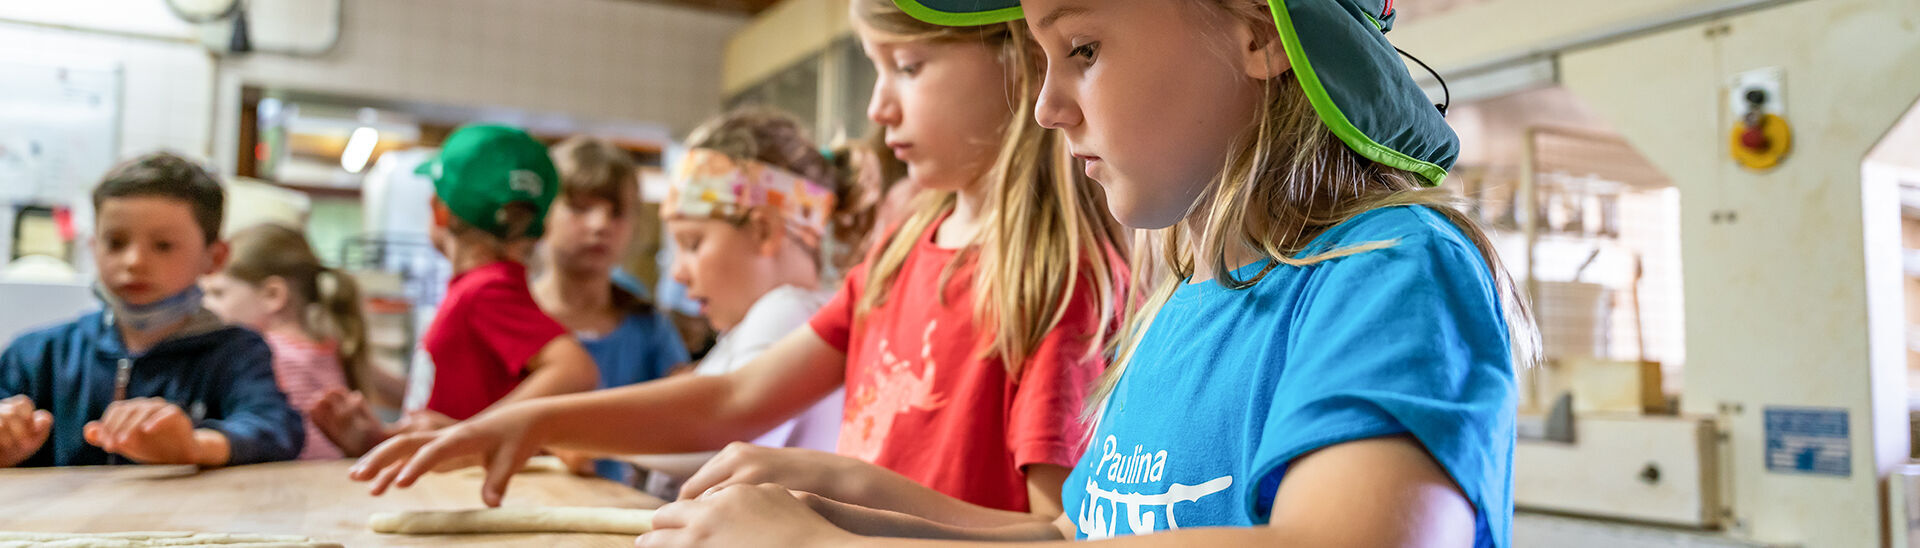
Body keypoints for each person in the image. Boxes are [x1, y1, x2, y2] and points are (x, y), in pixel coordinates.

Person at [636, 1, 1538, 547]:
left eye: (1084, 49)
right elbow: (1077, 533)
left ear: (1262, 31)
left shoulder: (1389, 269)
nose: (1046, 105)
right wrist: (848, 500)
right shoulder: (1186, 302)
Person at [347, 0, 1128, 521]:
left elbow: (1050, 531)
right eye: (877, 69)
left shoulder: (1054, 281)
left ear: (1019, 62)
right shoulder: (897, 254)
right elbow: (737, 398)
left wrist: (836, 500)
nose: (876, 106)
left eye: (909, 67)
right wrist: (534, 420)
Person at [309, 125, 602, 457]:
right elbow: (451, 403)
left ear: (439, 210)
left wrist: (473, 435)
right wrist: (378, 437)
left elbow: (574, 368)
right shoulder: (483, 288)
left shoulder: (485, 291)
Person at [0, 152, 304, 468]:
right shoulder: (35, 355)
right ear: (93, 248)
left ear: (214, 257)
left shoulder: (237, 353)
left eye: (163, 246)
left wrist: (193, 445)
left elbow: (275, 429)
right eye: (115, 243)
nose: (134, 261)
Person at [534, 136, 690, 480]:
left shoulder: (648, 325)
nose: (600, 225)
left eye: (617, 212)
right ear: (541, 213)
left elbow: (688, 413)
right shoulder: (513, 315)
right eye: (580, 207)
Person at [202, 223, 367, 460]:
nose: (207, 305)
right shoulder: (326, 345)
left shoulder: (270, 353)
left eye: (217, 293)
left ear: (272, 295)